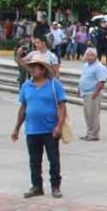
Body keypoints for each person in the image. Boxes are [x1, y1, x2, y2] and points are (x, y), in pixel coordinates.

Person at [11, 56, 68, 199]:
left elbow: (62, 107)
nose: (32, 70)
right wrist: (17, 128)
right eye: (31, 68)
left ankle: (55, 186)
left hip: (50, 129)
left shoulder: (55, 85)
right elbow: (23, 108)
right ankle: (37, 186)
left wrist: (59, 126)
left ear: (43, 70)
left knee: (53, 159)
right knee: (34, 160)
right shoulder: (26, 86)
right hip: (32, 129)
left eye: (35, 67)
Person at [78, 48, 107, 141]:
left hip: (93, 93)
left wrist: (96, 93)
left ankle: (94, 134)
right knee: (87, 114)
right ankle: (89, 132)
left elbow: (101, 82)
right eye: (88, 55)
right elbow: (83, 77)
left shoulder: (99, 67)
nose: (89, 57)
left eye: (92, 55)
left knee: (93, 115)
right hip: (85, 93)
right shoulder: (86, 65)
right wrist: (79, 88)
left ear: (96, 56)